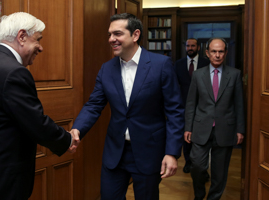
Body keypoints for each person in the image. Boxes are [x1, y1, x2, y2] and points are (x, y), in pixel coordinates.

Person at [0, 12, 79, 200]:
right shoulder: (14, 73)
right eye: (38, 40)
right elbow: (36, 123)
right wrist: (67, 140)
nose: (41, 48)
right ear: (21, 37)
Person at [71, 13, 184, 200]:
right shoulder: (106, 69)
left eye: (117, 34)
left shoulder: (160, 65)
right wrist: (77, 128)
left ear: (135, 35)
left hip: (149, 151)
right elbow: (93, 105)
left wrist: (171, 153)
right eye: (109, 35)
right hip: (115, 151)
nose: (111, 39)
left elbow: (175, 112)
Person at [184, 38, 245, 200]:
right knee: (197, 165)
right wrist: (188, 128)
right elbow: (191, 104)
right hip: (200, 127)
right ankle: (199, 194)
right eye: (214, 51)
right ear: (207, 53)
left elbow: (239, 104)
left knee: (220, 172)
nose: (217, 55)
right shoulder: (198, 75)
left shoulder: (235, 74)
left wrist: (240, 129)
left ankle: (213, 198)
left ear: (225, 53)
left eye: (220, 51)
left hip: (226, 129)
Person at [174, 38, 210, 173]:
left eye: (193, 46)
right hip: (183, 105)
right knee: (186, 135)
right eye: (188, 45)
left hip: (203, 105)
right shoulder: (179, 64)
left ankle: (202, 166)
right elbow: (174, 85)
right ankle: (188, 162)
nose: (190, 48)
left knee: (202, 135)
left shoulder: (206, 63)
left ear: (198, 48)